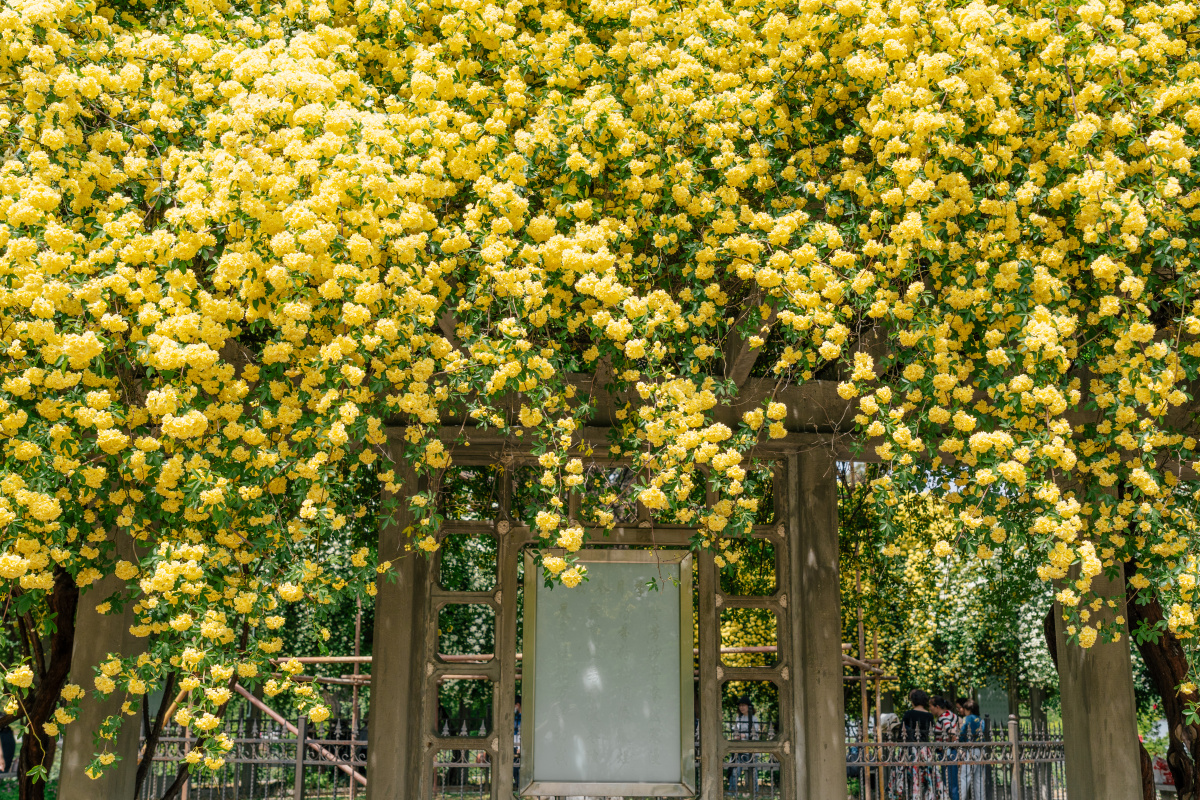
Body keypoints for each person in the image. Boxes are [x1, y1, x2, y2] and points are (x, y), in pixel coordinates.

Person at [895, 690, 945, 799]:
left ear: (913, 701)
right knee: (926, 777)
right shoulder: (929, 716)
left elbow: (901, 733)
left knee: (911, 778)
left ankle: (912, 796)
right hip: (924, 749)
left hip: (910, 749)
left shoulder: (908, 714)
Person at [931, 696, 960, 800]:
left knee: (950, 784)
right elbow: (960, 722)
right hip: (951, 752)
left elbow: (950, 731)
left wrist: (950, 744)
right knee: (953, 783)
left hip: (947, 753)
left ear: (937, 707)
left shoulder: (943, 717)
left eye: (931, 706)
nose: (930, 709)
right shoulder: (951, 714)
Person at [727, 696, 758, 795]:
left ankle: (755, 793)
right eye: (740, 705)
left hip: (751, 750)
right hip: (739, 749)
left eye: (743, 705)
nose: (741, 707)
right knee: (735, 772)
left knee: (753, 773)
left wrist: (743, 735)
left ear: (749, 706)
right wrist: (736, 735)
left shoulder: (754, 718)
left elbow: (756, 733)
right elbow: (735, 730)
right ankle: (732, 792)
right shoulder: (738, 718)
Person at [958, 699, 986, 800]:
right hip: (980, 749)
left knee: (965, 777)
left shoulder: (967, 718)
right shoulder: (981, 720)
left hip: (970, 749)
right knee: (979, 779)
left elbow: (962, 732)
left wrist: (960, 741)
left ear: (968, 709)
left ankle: (962, 798)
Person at [513, 696, 522, 789]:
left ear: (517, 705)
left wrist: (520, 746)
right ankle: (519, 785)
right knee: (514, 768)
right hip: (514, 744)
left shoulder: (524, 717)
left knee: (516, 768)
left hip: (519, 745)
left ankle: (521, 786)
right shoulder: (515, 716)